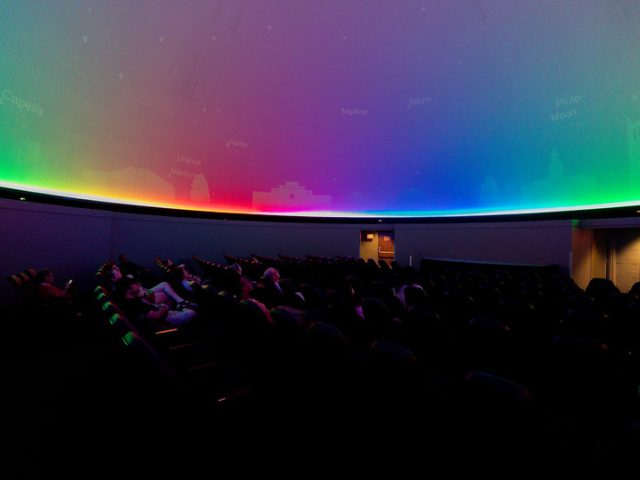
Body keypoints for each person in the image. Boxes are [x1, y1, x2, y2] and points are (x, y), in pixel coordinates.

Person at [115, 276, 197, 328]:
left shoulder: (131, 298)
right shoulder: (134, 303)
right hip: (163, 318)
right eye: (134, 284)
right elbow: (156, 315)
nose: (137, 284)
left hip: (147, 293)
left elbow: (148, 300)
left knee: (164, 287)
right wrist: (165, 307)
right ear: (128, 289)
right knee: (192, 312)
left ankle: (181, 303)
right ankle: (181, 303)